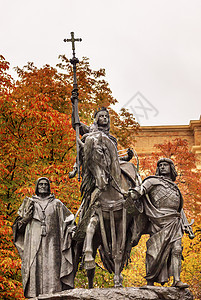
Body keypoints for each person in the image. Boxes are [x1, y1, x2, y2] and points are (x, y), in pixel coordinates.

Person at [125, 158, 193, 288]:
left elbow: (179, 208)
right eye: (160, 165)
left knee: (177, 249)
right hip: (157, 220)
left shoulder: (175, 187)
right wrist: (132, 194)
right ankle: (150, 281)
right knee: (154, 252)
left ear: (171, 168)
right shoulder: (152, 181)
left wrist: (186, 225)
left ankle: (177, 280)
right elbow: (141, 190)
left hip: (174, 221)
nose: (162, 167)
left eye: (165, 165)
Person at [13, 177, 75, 298]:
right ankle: (34, 295)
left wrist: (72, 230)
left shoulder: (57, 204)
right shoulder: (29, 203)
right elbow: (18, 229)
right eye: (40, 184)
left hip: (53, 243)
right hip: (33, 242)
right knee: (34, 266)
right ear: (36, 186)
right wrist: (26, 218)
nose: (43, 186)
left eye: (45, 184)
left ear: (49, 187)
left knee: (53, 266)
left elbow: (69, 221)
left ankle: (54, 295)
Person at [69, 106, 134, 178]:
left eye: (106, 116)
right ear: (97, 119)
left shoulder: (112, 139)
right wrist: (74, 105)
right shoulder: (89, 131)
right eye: (101, 116)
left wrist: (127, 157)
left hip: (109, 169)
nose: (105, 118)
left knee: (129, 167)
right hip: (93, 169)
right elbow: (76, 123)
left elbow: (115, 159)